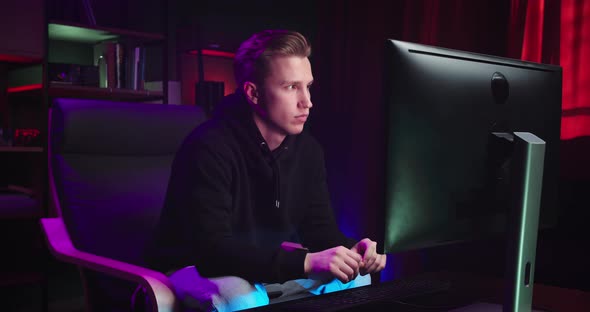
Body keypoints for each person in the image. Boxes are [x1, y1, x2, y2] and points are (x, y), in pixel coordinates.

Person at [145, 29, 386, 311]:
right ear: (254, 93)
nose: (307, 101)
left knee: (354, 280)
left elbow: (320, 231)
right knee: (243, 300)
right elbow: (211, 251)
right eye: (291, 87)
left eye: (307, 86)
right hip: (193, 266)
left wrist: (356, 250)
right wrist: (306, 262)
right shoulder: (209, 147)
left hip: (261, 266)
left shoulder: (308, 151)